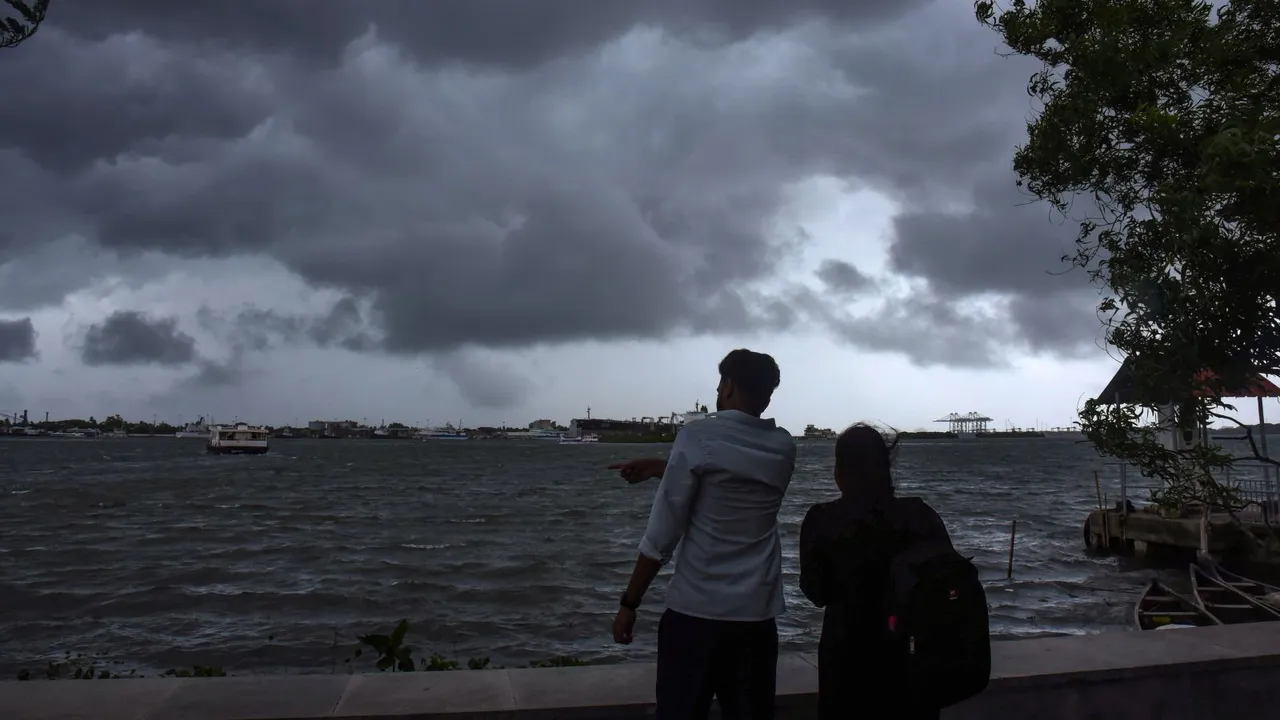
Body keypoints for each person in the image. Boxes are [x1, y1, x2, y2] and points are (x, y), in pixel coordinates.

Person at [607, 349, 797, 720]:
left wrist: (629, 605)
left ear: (727, 386)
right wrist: (665, 467)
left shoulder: (696, 436)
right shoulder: (783, 447)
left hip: (696, 616)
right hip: (757, 620)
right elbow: (731, 484)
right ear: (768, 394)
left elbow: (662, 535)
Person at [799, 424, 986, 720]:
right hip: (913, 668)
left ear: (840, 471)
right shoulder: (921, 515)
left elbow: (815, 591)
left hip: (847, 668)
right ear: (886, 468)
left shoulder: (823, 520)